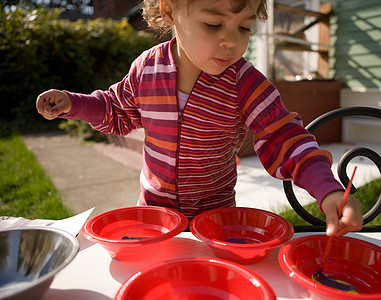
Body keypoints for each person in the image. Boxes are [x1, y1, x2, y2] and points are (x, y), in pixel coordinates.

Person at [36, 0, 362, 236]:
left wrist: (327, 189)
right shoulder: (146, 68)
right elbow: (116, 110)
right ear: (169, 10)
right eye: (213, 24)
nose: (232, 42)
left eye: (245, 27)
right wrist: (73, 104)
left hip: (217, 222)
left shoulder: (244, 83)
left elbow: (284, 138)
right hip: (156, 218)